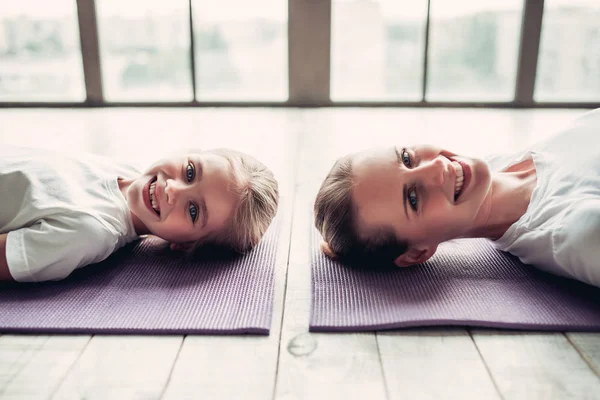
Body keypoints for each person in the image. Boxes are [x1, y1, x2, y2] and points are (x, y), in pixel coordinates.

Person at [314, 108, 600, 288]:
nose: (436, 166)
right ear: (417, 253)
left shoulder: (507, 159)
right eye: (413, 199)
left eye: (407, 158)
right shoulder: (580, 232)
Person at [0, 145, 279, 283]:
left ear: (186, 244)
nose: (173, 189)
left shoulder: (87, 233)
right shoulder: (120, 167)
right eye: (190, 172)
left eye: (193, 211)